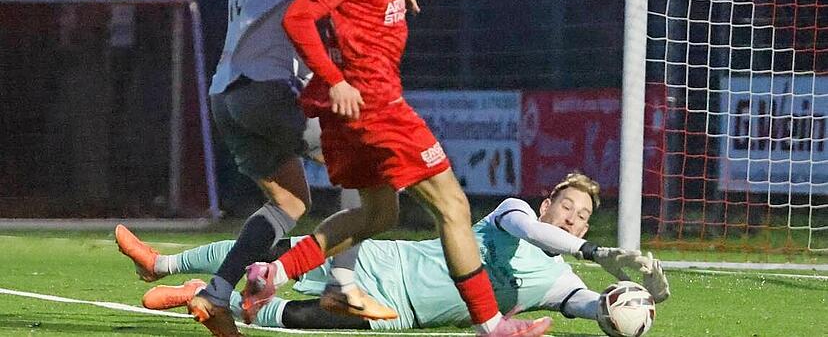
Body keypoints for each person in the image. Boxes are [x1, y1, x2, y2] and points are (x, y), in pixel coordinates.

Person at [238, 0, 552, 336]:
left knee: (379, 214)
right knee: (453, 207)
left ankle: (274, 273)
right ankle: (492, 325)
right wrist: (335, 80)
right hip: (378, 110)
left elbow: (351, 3)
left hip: (359, 117)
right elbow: (300, 17)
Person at [113, 0, 397, 337]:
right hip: (268, 89)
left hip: (226, 95)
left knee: (290, 201)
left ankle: (216, 292)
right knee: (365, 160)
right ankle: (343, 282)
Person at [122, 173, 670, 334]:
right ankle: (165, 263)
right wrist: (594, 248)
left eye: (581, 214)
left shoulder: (558, 283)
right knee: (283, 246)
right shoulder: (514, 214)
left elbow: (590, 307)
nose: (572, 217)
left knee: (299, 319)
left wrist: (633, 303)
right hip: (389, 264)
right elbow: (547, 238)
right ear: (548, 201)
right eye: (567, 206)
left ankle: (200, 295)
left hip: (402, 316)